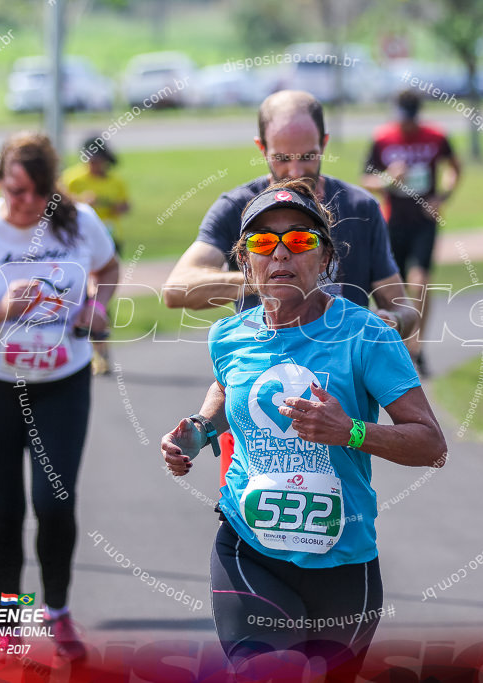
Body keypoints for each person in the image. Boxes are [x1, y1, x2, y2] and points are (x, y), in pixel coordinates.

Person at [160, 180, 447, 679]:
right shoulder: (228, 336)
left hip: (343, 563)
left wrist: (352, 432)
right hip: (249, 548)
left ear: (326, 258)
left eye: (300, 241)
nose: (280, 255)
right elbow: (233, 389)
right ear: (245, 261)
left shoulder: (366, 334)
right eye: (262, 243)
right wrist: (200, 429)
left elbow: (431, 445)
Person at [162, 89, 419, 489]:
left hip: (336, 410)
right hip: (254, 404)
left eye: (308, 155)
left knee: (332, 517)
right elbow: (176, 289)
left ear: (325, 145)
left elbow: (405, 308)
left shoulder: (361, 207)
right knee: (248, 516)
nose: (295, 168)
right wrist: (276, 276)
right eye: (282, 158)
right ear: (261, 148)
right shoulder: (238, 208)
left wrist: (389, 322)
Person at [0, 131, 119, 660]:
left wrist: (97, 309)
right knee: (5, 509)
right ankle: (6, 625)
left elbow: (108, 268)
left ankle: (56, 610)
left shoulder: (79, 221)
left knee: (55, 504)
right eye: (16, 191)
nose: (28, 203)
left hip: (61, 383)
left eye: (39, 192)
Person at [362, 89, 460, 376]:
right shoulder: (383, 138)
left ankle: (417, 348)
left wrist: (442, 197)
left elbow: (454, 168)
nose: (405, 125)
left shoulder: (436, 136)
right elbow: (365, 178)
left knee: (421, 282)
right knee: (392, 289)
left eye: (409, 120)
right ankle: (398, 346)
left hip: (423, 221)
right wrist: (387, 178)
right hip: (392, 222)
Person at [61, 135, 130, 376]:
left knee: (100, 301)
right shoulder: (72, 178)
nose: (94, 165)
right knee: (82, 296)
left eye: (98, 161)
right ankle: (86, 350)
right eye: (90, 161)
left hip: (110, 242)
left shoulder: (115, 181)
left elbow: (126, 205)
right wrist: (81, 202)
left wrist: (113, 205)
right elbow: (58, 204)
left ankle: (101, 353)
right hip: (80, 245)